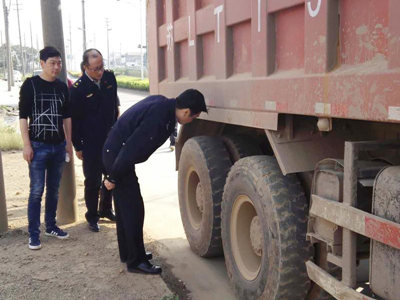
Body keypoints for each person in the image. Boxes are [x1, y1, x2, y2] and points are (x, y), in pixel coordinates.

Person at [102, 89, 207, 274]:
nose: (192, 121)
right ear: (185, 111)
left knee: (125, 208)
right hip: (118, 157)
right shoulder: (159, 118)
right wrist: (113, 177)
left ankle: (129, 254)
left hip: (116, 152)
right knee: (134, 209)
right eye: (194, 117)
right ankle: (136, 262)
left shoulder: (163, 104)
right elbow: (132, 148)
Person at [19, 46, 72, 250]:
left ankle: (51, 226)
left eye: (59, 63)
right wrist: (26, 145)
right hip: (37, 146)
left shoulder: (62, 87)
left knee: (54, 190)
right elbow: (23, 117)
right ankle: (34, 234)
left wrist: (68, 144)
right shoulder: (30, 85)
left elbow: (67, 118)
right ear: (42, 63)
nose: (56, 67)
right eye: (52, 63)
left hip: (58, 146)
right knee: (36, 191)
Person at [70, 49, 119, 232]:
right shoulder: (77, 89)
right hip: (90, 143)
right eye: (96, 68)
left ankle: (106, 209)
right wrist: (78, 146)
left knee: (112, 175)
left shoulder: (109, 79)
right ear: (85, 68)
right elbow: (74, 121)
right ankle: (92, 216)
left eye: (102, 66)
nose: (100, 72)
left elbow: (114, 106)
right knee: (92, 180)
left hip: (110, 139)